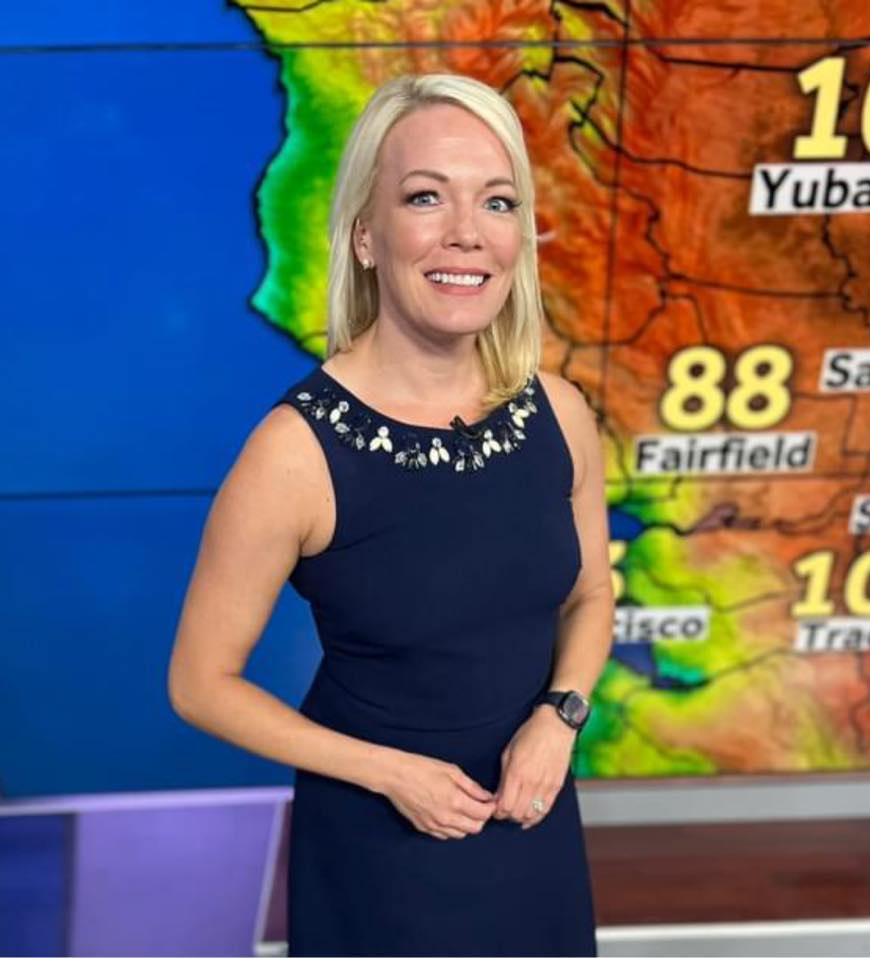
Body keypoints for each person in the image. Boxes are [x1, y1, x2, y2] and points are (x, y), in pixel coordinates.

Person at [167, 72, 613, 957]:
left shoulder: (558, 413)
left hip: (534, 825)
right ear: (367, 236)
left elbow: (592, 595)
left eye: (497, 201)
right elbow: (199, 684)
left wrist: (558, 718)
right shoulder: (292, 454)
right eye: (424, 197)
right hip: (380, 849)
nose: (467, 235)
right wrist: (388, 772)